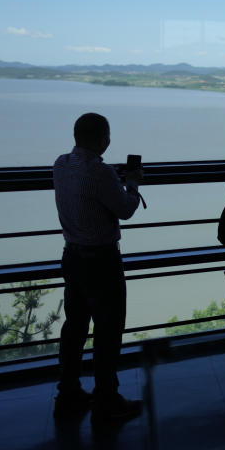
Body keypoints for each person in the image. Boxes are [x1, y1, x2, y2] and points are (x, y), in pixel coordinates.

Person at [53, 112, 143, 421]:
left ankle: (68, 391)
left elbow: (89, 189)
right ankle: (107, 399)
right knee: (108, 330)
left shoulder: (61, 164)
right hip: (101, 262)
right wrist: (131, 185)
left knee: (75, 326)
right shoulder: (101, 173)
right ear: (102, 138)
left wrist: (111, 178)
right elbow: (126, 210)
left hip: (72, 257)